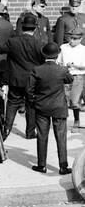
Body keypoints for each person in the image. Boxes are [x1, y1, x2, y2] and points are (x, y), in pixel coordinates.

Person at [29, 42, 72, 176]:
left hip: (42, 106)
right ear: (57, 55)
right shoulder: (62, 70)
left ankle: (42, 165)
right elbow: (69, 80)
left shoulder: (37, 69)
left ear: (44, 54)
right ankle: (63, 166)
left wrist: (34, 101)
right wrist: (65, 69)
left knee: (42, 136)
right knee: (61, 137)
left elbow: (29, 90)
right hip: (59, 106)